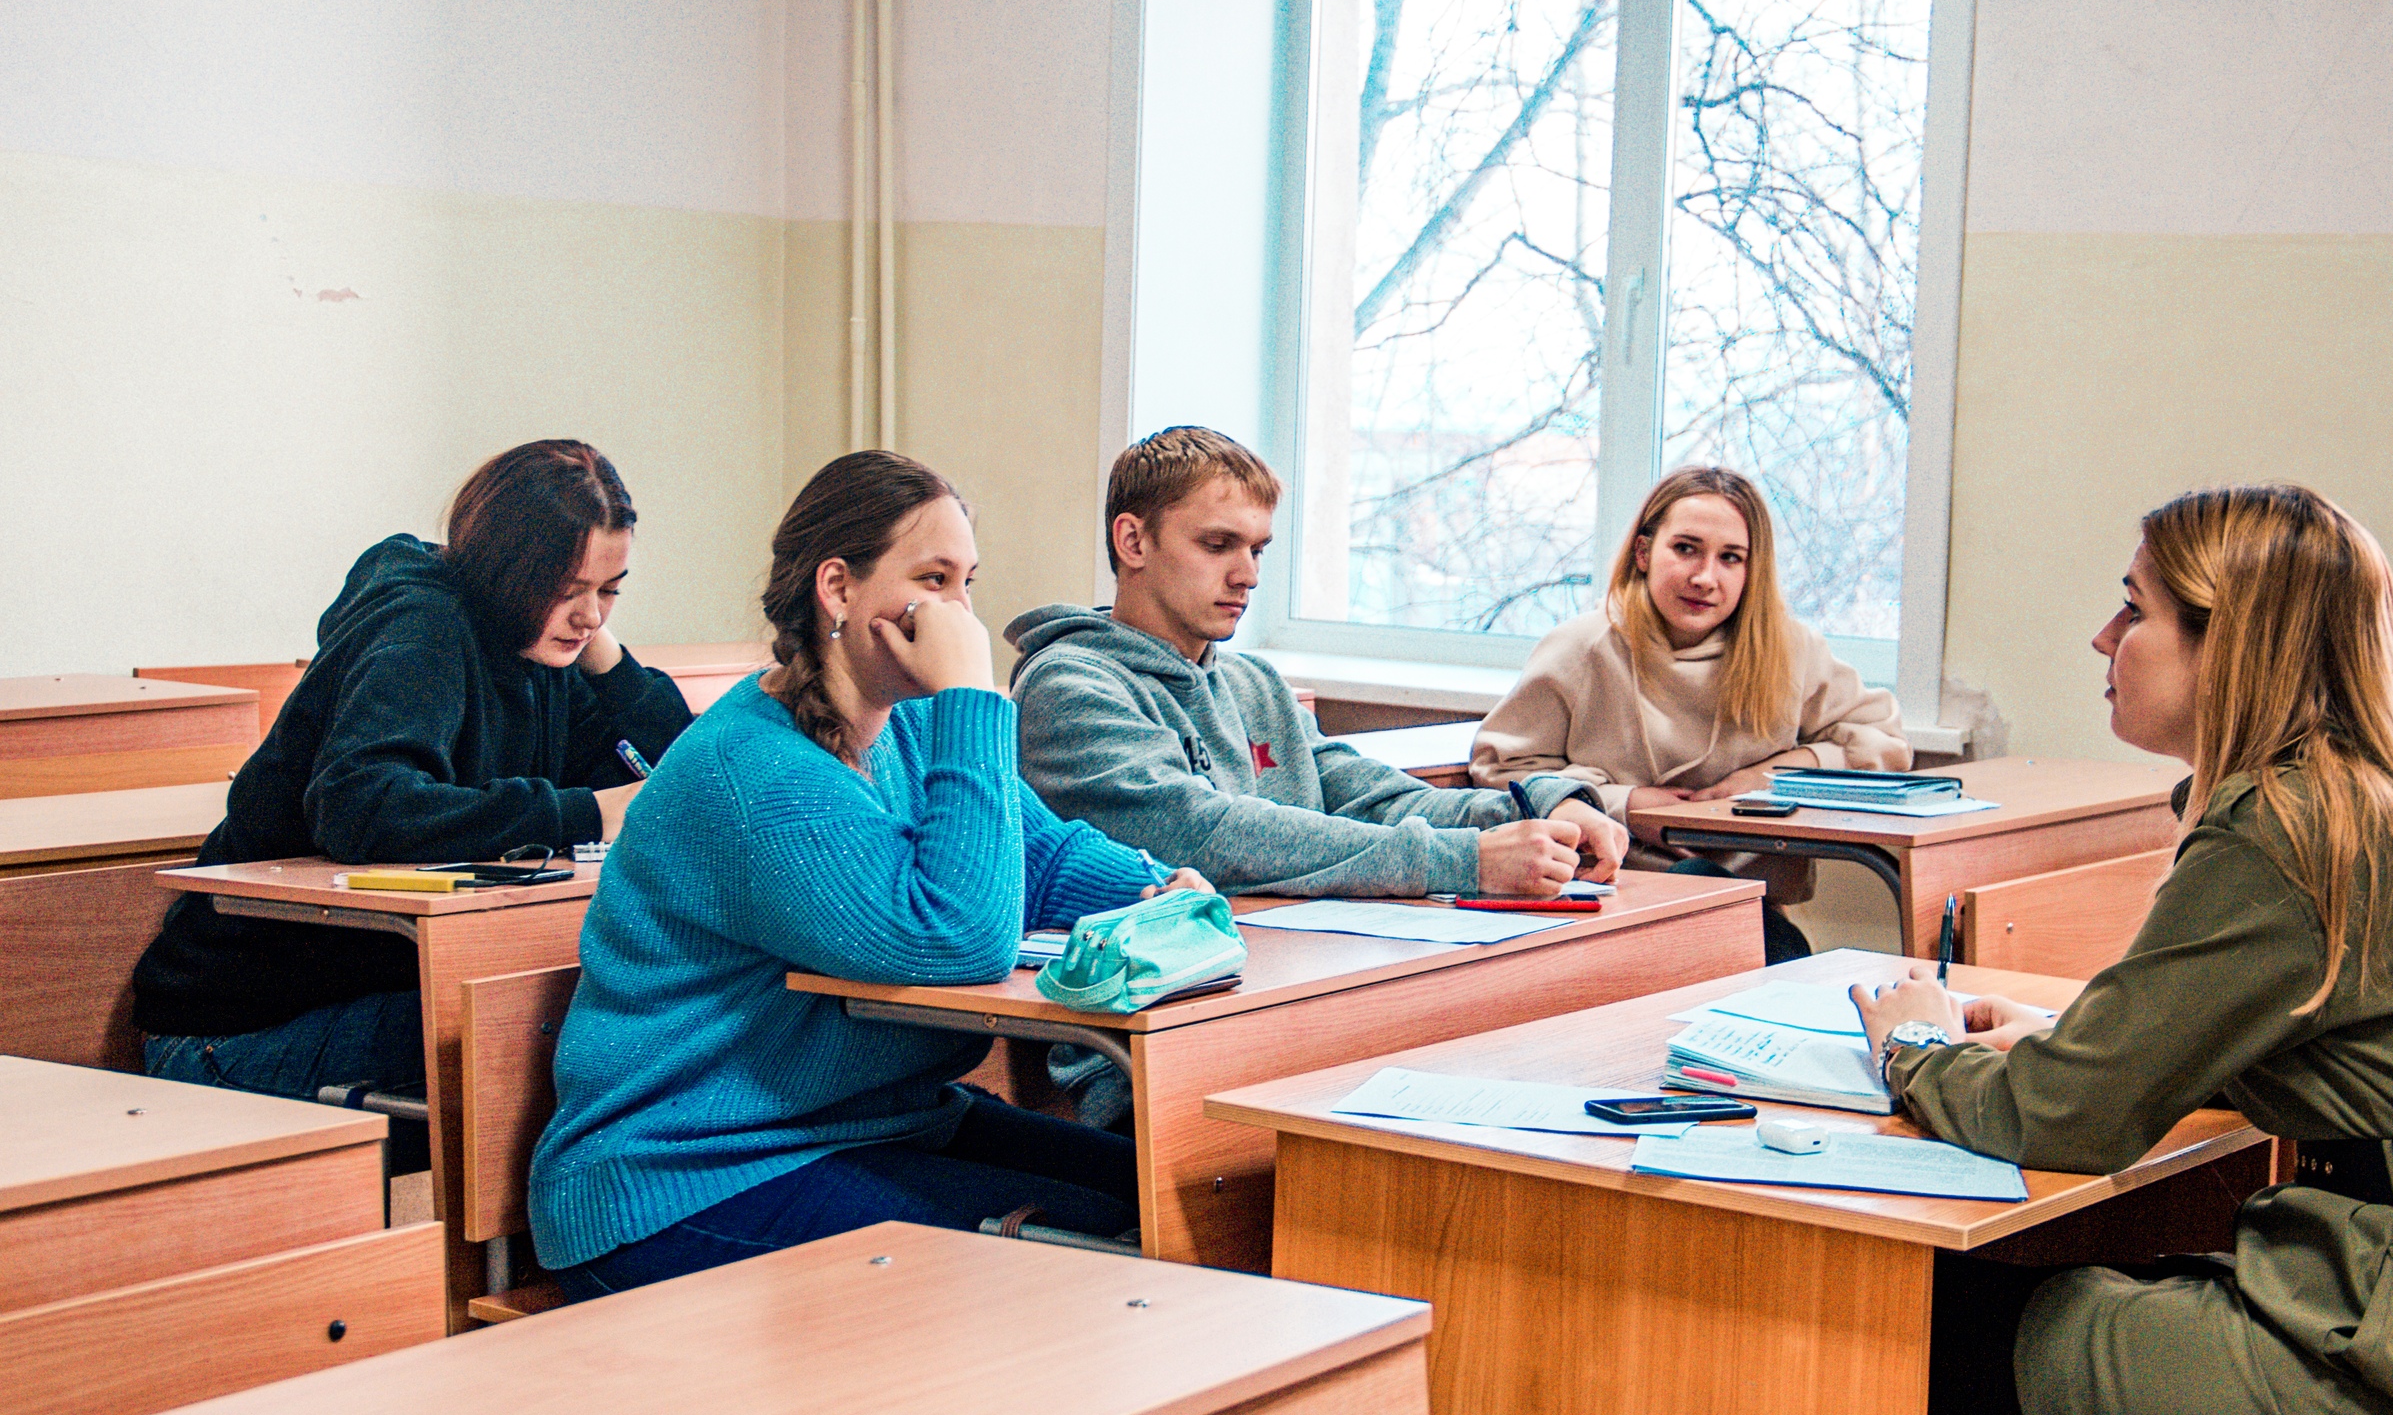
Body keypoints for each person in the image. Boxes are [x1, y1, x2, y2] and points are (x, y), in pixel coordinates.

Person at [1850, 483, 2393, 1415]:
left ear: (2230, 647)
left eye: (2134, 608)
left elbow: (2059, 1118)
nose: (2103, 636)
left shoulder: (2282, 825)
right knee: (2065, 1302)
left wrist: (1912, 1043)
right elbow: (2347, 1041)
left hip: (2388, 1383)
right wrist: (2081, 1036)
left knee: (1908, 1324)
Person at [528, 451, 1210, 1300]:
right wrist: (971, 693)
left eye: (967, 582)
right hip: (683, 1176)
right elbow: (960, 938)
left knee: (1174, 1192)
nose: (959, 613)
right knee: (1101, 1249)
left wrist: (1159, 885)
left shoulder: (910, 723)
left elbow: (1043, 856)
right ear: (838, 589)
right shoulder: (756, 769)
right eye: (934, 578)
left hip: (869, 1122)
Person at [134, 440, 692, 1170]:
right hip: (230, 1037)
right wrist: (586, 813)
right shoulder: (421, 625)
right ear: (506, 571)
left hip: (370, 996)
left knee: (625, 1016)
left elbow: (673, 769)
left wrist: (602, 648)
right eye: (568, 586)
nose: (588, 614)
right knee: (566, 1029)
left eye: (611, 589)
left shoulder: (540, 646)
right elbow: (364, 803)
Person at [1007, 426, 1627, 900]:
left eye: (1257, 549)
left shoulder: (1253, 684)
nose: (1247, 575)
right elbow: (1207, 837)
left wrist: (1542, 809)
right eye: (1218, 545)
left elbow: (1370, 797)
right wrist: (1468, 860)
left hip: (1280, 974)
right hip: (1147, 1023)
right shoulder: (1070, 684)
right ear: (1133, 541)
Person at [1472, 465, 1908, 960]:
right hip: (1612, 891)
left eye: (1730, 559)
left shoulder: (1788, 649)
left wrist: (1773, 776)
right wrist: (1626, 804)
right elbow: (1499, 770)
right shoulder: (1582, 647)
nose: (1705, 577)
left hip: (1750, 901)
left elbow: (1884, 740)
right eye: (1685, 549)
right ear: (1643, 553)